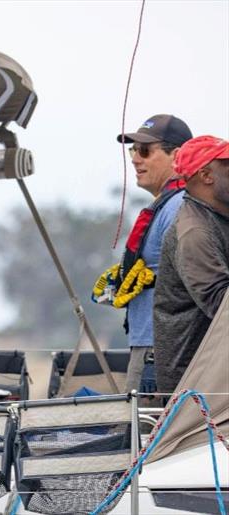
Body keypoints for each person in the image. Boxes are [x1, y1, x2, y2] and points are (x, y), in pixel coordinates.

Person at [93, 114, 192, 393]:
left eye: (145, 151)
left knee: (148, 436)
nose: (136, 159)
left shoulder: (178, 208)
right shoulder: (170, 205)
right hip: (151, 343)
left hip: (159, 348)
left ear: (178, 156)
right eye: (133, 150)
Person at [154, 135, 229, 394]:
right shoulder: (194, 232)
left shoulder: (217, 218)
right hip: (197, 390)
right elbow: (222, 305)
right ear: (207, 175)